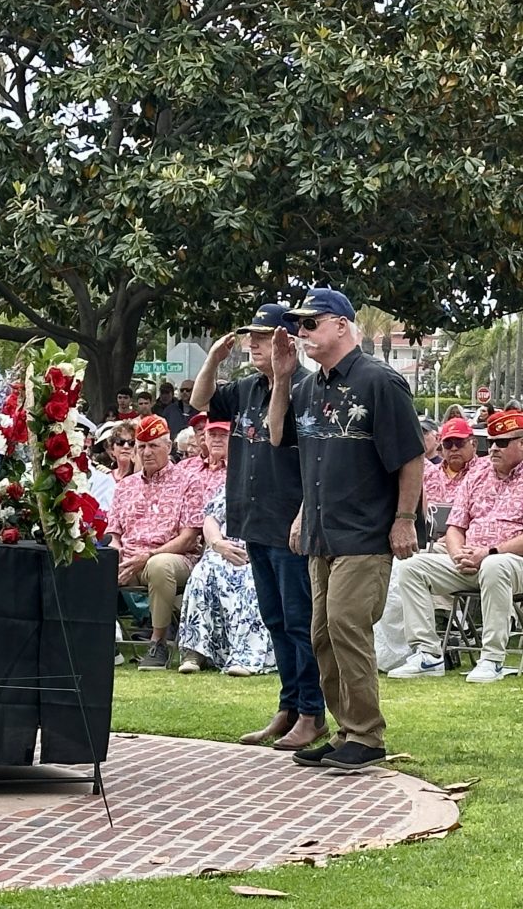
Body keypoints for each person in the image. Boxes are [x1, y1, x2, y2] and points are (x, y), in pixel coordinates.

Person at [269, 287, 424, 770]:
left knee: (345, 626)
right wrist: (282, 377)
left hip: (365, 533)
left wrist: (404, 520)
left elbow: (411, 458)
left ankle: (366, 735)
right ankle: (346, 732)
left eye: (310, 323)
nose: (301, 333)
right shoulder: (309, 386)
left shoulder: (380, 381)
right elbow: (278, 436)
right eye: (298, 325)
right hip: (322, 534)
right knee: (321, 634)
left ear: (340, 324)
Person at [191, 302, 326, 750]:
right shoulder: (246, 388)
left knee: (299, 621)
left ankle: (312, 712)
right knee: (275, 619)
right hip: (254, 520)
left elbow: (311, 459)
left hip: (288, 521)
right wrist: (213, 360)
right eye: (251, 335)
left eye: (264, 337)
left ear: (287, 341)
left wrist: (304, 513)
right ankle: (289, 707)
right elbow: (200, 401)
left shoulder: (307, 386)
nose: (253, 343)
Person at [392, 410, 523, 682]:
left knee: (495, 565)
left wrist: (489, 553)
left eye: (501, 443)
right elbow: (455, 526)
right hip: (470, 560)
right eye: (491, 442)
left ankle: (492, 659)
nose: (493, 449)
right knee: (411, 567)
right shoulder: (478, 474)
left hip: (511, 562)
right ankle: (428, 654)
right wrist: (457, 555)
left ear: (521, 443)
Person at [106, 415, 202, 670]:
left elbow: (189, 537)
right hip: (129, 560)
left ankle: (158, 642)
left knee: (160, 566)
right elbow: (114, 535)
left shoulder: (189, 481)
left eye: (153, 446)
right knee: (98, 562)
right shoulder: (125, 486)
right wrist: (115, 551)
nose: (146, 452)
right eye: (141, 446)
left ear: (168, 447)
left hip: (174, 558)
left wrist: (148, 556)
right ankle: (105, 642)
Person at [178, 486, 275, 676]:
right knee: (202, 573)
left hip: (259, 553)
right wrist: (218, 543)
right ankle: (195, 652)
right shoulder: (232, 485)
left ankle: (247, 656)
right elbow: (211, 519)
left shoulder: (276, 485)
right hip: (224, 551)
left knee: (251, 581)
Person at [423, 417, 479, 506]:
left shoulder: (485, 473)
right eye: (448, 444)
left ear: (474, 445)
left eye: (459, 443)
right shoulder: (429, 474)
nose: (454, 448)